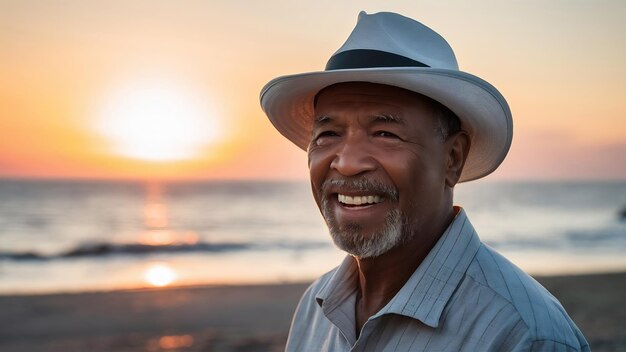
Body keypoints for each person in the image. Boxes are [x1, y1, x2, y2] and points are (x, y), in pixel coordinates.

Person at [260, 11, 589, 352]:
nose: (347, 163)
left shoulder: (522, 335)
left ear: (453, 159)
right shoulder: (314, 307)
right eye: (328, 134)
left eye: (385, 133)